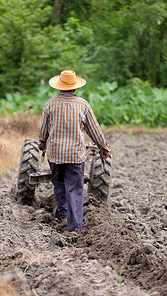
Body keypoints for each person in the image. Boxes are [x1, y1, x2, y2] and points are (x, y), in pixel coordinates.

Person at [38, 70, 110, 232]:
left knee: (58, 184)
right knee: (75, 189)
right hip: (75, 155)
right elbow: (94, 130)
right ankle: (75, 226)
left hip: (55, 154)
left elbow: (43, 130)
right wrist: (103, 147)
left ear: (59, 87)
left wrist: (42, 143)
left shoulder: (50, 104)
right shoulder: (83, 105)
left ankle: (63, 217)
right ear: (75, 88)